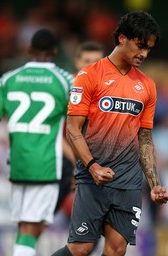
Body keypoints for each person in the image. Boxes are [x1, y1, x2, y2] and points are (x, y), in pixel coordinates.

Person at [51, 11, 168, 256]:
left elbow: (145, 138)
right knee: (81, 248)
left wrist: (155, 184)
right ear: (122, 38)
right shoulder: (89, 75)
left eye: (149, 49)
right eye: (140, 46)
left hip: (128, 182)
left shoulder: (147, 85)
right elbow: (73, 130)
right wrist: (93, 166)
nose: (144, 54)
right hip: (93, 178)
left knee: (116, 250)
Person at [0, 28, 74, 256]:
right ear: (55, 52)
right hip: (47, 164)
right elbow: (78, 127)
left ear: (29, 50)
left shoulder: (8, 79)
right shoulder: (66, 80)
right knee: (33, 228)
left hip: (18, 163)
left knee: (24, 226)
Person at [54, 40, 105, 218]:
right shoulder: (66, 89)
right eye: (86, 61)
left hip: (94, 165)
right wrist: (78, 165)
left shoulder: (108, 92)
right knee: (46, 217)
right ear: (77, 62)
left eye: (96, 62)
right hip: (65, 163)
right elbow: (54, 133)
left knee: (94, 223)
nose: (91, 66)